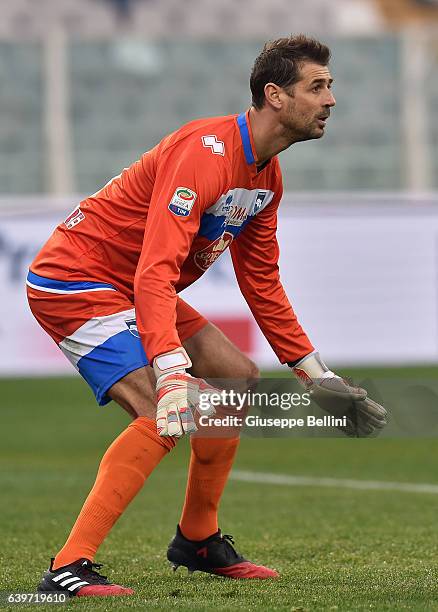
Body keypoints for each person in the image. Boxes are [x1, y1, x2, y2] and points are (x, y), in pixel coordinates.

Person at [27, 35, 386, 598]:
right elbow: (155, 268)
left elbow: (261, 283)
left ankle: (198, 539)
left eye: (330, 87)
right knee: (163, 409)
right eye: (317, 87)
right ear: (275, 95)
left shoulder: (266, 177)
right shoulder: (206, 152)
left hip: (134, 282)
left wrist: (317, 378)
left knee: (234, 379)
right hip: (76, 279)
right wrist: (171, 371)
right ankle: (67, 568)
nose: (330, 100)